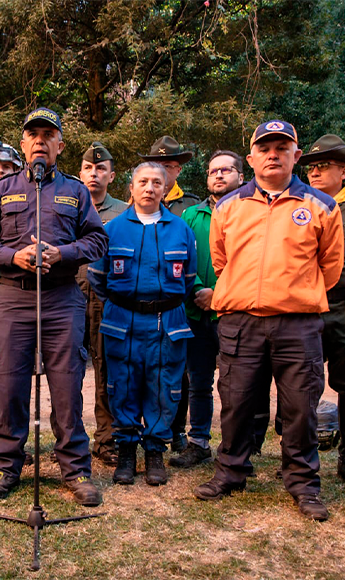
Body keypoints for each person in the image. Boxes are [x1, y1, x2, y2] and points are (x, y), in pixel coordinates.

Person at [194, 121, 344, 522]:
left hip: (298, 325)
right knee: (237, 403)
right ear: (252, 159)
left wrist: (293, 293)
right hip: (240, 321)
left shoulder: (322, 207)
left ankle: (303, 484)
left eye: (282, 147)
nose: (273, 154)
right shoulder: (228, 206)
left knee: (300, 408)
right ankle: (231, 472)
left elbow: (330, 269)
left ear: (296, 155)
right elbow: (222, 260)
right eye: (265, 148)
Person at [0, 107, 108, 506]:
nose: (40, 142)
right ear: (24, 143)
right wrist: (13, 257)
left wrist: (61, 253)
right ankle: (6, 466)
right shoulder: (3, 189)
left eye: (49, 135)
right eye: (33, 135)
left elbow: (97, 241)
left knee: (66, 386)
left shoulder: (76, 191)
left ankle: (75, 469)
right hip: (13, 298)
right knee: (10, 384)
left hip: (61, 297)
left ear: (59, 145)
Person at [88, 162, 196, 486]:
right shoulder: (112, 230)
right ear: (131, 188)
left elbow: (188, 280)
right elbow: (98, 278)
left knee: (163, 386)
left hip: (167, 320)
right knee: (122, 384)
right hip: (122, 319)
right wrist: (129, 304)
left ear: (165, 189)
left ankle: (154, 453)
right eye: (143, 182)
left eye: (157, 183)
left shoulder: (181, 230)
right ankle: (125, 453)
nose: (150, 188)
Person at [299, 134, 345, 487]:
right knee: (301, 386)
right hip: (309, 309)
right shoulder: (300, 207)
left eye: (323, 166)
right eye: (311, 166)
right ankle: (299, 457)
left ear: (344, 171)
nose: (315, 171)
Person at [170, 151, 243, 468]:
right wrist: (199, 288)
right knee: (198, 381)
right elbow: (180, 258)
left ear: (241, 175)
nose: (218, 175)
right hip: (197, 311)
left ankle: (239, 448)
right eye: (213, 170)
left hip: (236, 312)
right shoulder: (190, 215)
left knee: (237, 385)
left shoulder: (251, 212)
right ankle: (198, 442)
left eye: (226, 170)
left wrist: (221, 293)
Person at [138, 135, 199, 452]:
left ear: (177, 169)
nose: (161, 171)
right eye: (156, 164)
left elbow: (194, 263)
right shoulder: (134, 207)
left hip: (178, 307)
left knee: (178, 373)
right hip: (140, 311)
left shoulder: (191, 207)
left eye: (168, 165)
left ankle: (174, 430)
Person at [76, 142, 127, 466]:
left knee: (107, 372)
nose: (94, 174)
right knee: (65, 372)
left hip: (107, 301)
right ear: (80, 173)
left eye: (101, 169)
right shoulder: (67, 207)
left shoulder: (125, 211)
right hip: (69, 298)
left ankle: (107, 440)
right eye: (88, 169)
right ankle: (70, 440)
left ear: (111, 175)